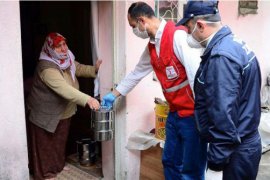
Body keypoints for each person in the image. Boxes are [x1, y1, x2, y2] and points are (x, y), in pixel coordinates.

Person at [102, 2, 207, 179]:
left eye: (133, 26)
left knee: (192, 170)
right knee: (170, 161)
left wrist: (204, 115)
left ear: (142, 21)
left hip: (192, 115)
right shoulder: (152, 46)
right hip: (174, 113)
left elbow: (195, 74)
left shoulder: (177, 37)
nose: (134, 31)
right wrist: (115, 93)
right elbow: (137, 73)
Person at [176, 0, 262, 179]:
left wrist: (216, 161)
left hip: (235, 150)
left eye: (188, 28)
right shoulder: (234, 44)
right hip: (243, 143)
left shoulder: (221, 57)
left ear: (199, 25)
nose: (187, 34)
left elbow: (222, 114)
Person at [26, 32, 101, 180]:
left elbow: (77, 68)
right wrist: (88, 99)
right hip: (45, 113)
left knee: (59, 142)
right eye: (58, 46)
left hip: (64, 111)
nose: (63, 48)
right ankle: (46, 174)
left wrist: (94, 69)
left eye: (64, 44)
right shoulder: (46, 67)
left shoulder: (67, 59)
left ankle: (57, 167)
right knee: (45, 145)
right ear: (50, 49)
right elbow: (63, 88)